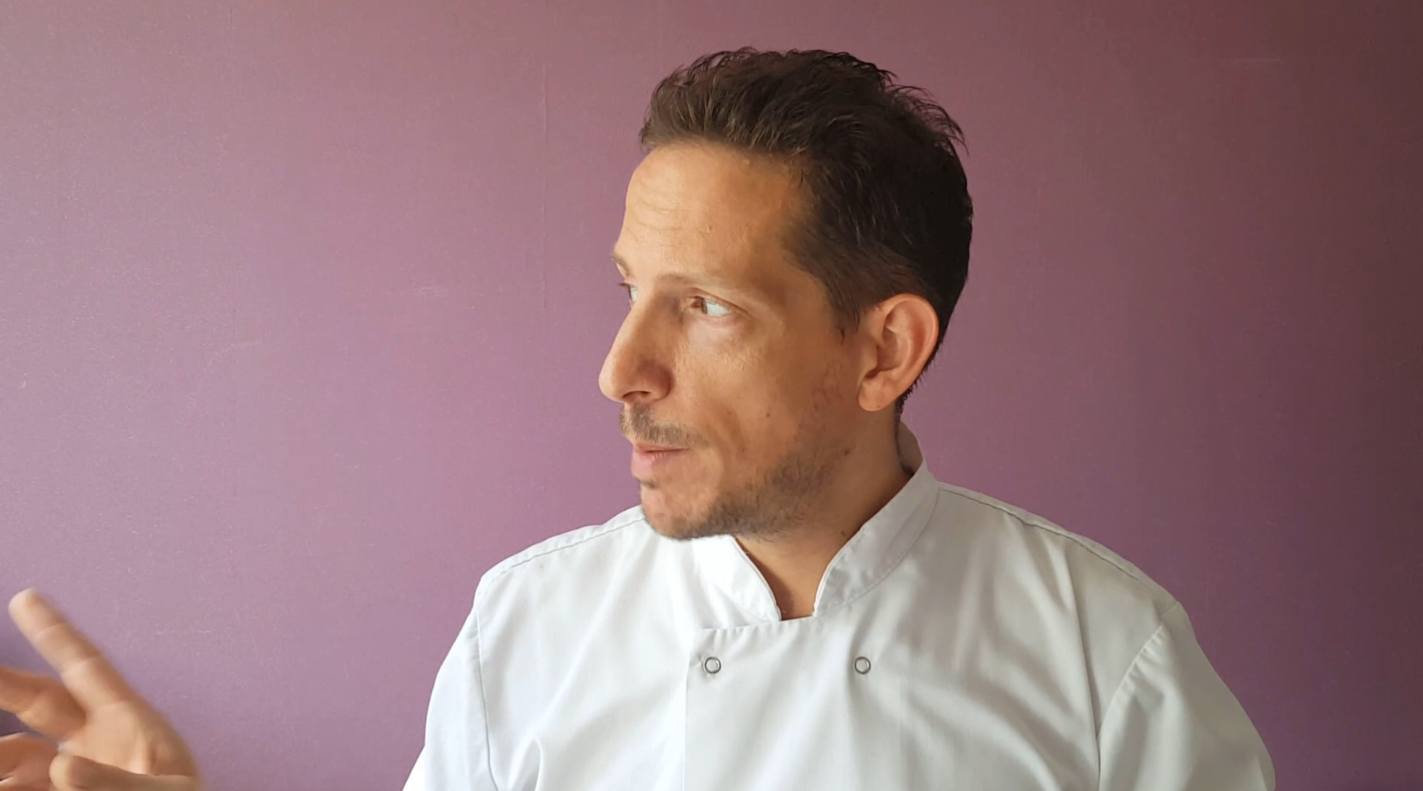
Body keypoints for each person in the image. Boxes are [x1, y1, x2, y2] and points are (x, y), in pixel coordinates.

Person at [0, 48, 1274, 791]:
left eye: (705, 305)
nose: (620, 369)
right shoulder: (527, 623)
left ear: (884, 348)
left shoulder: (1107, 658)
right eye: (629, 292)